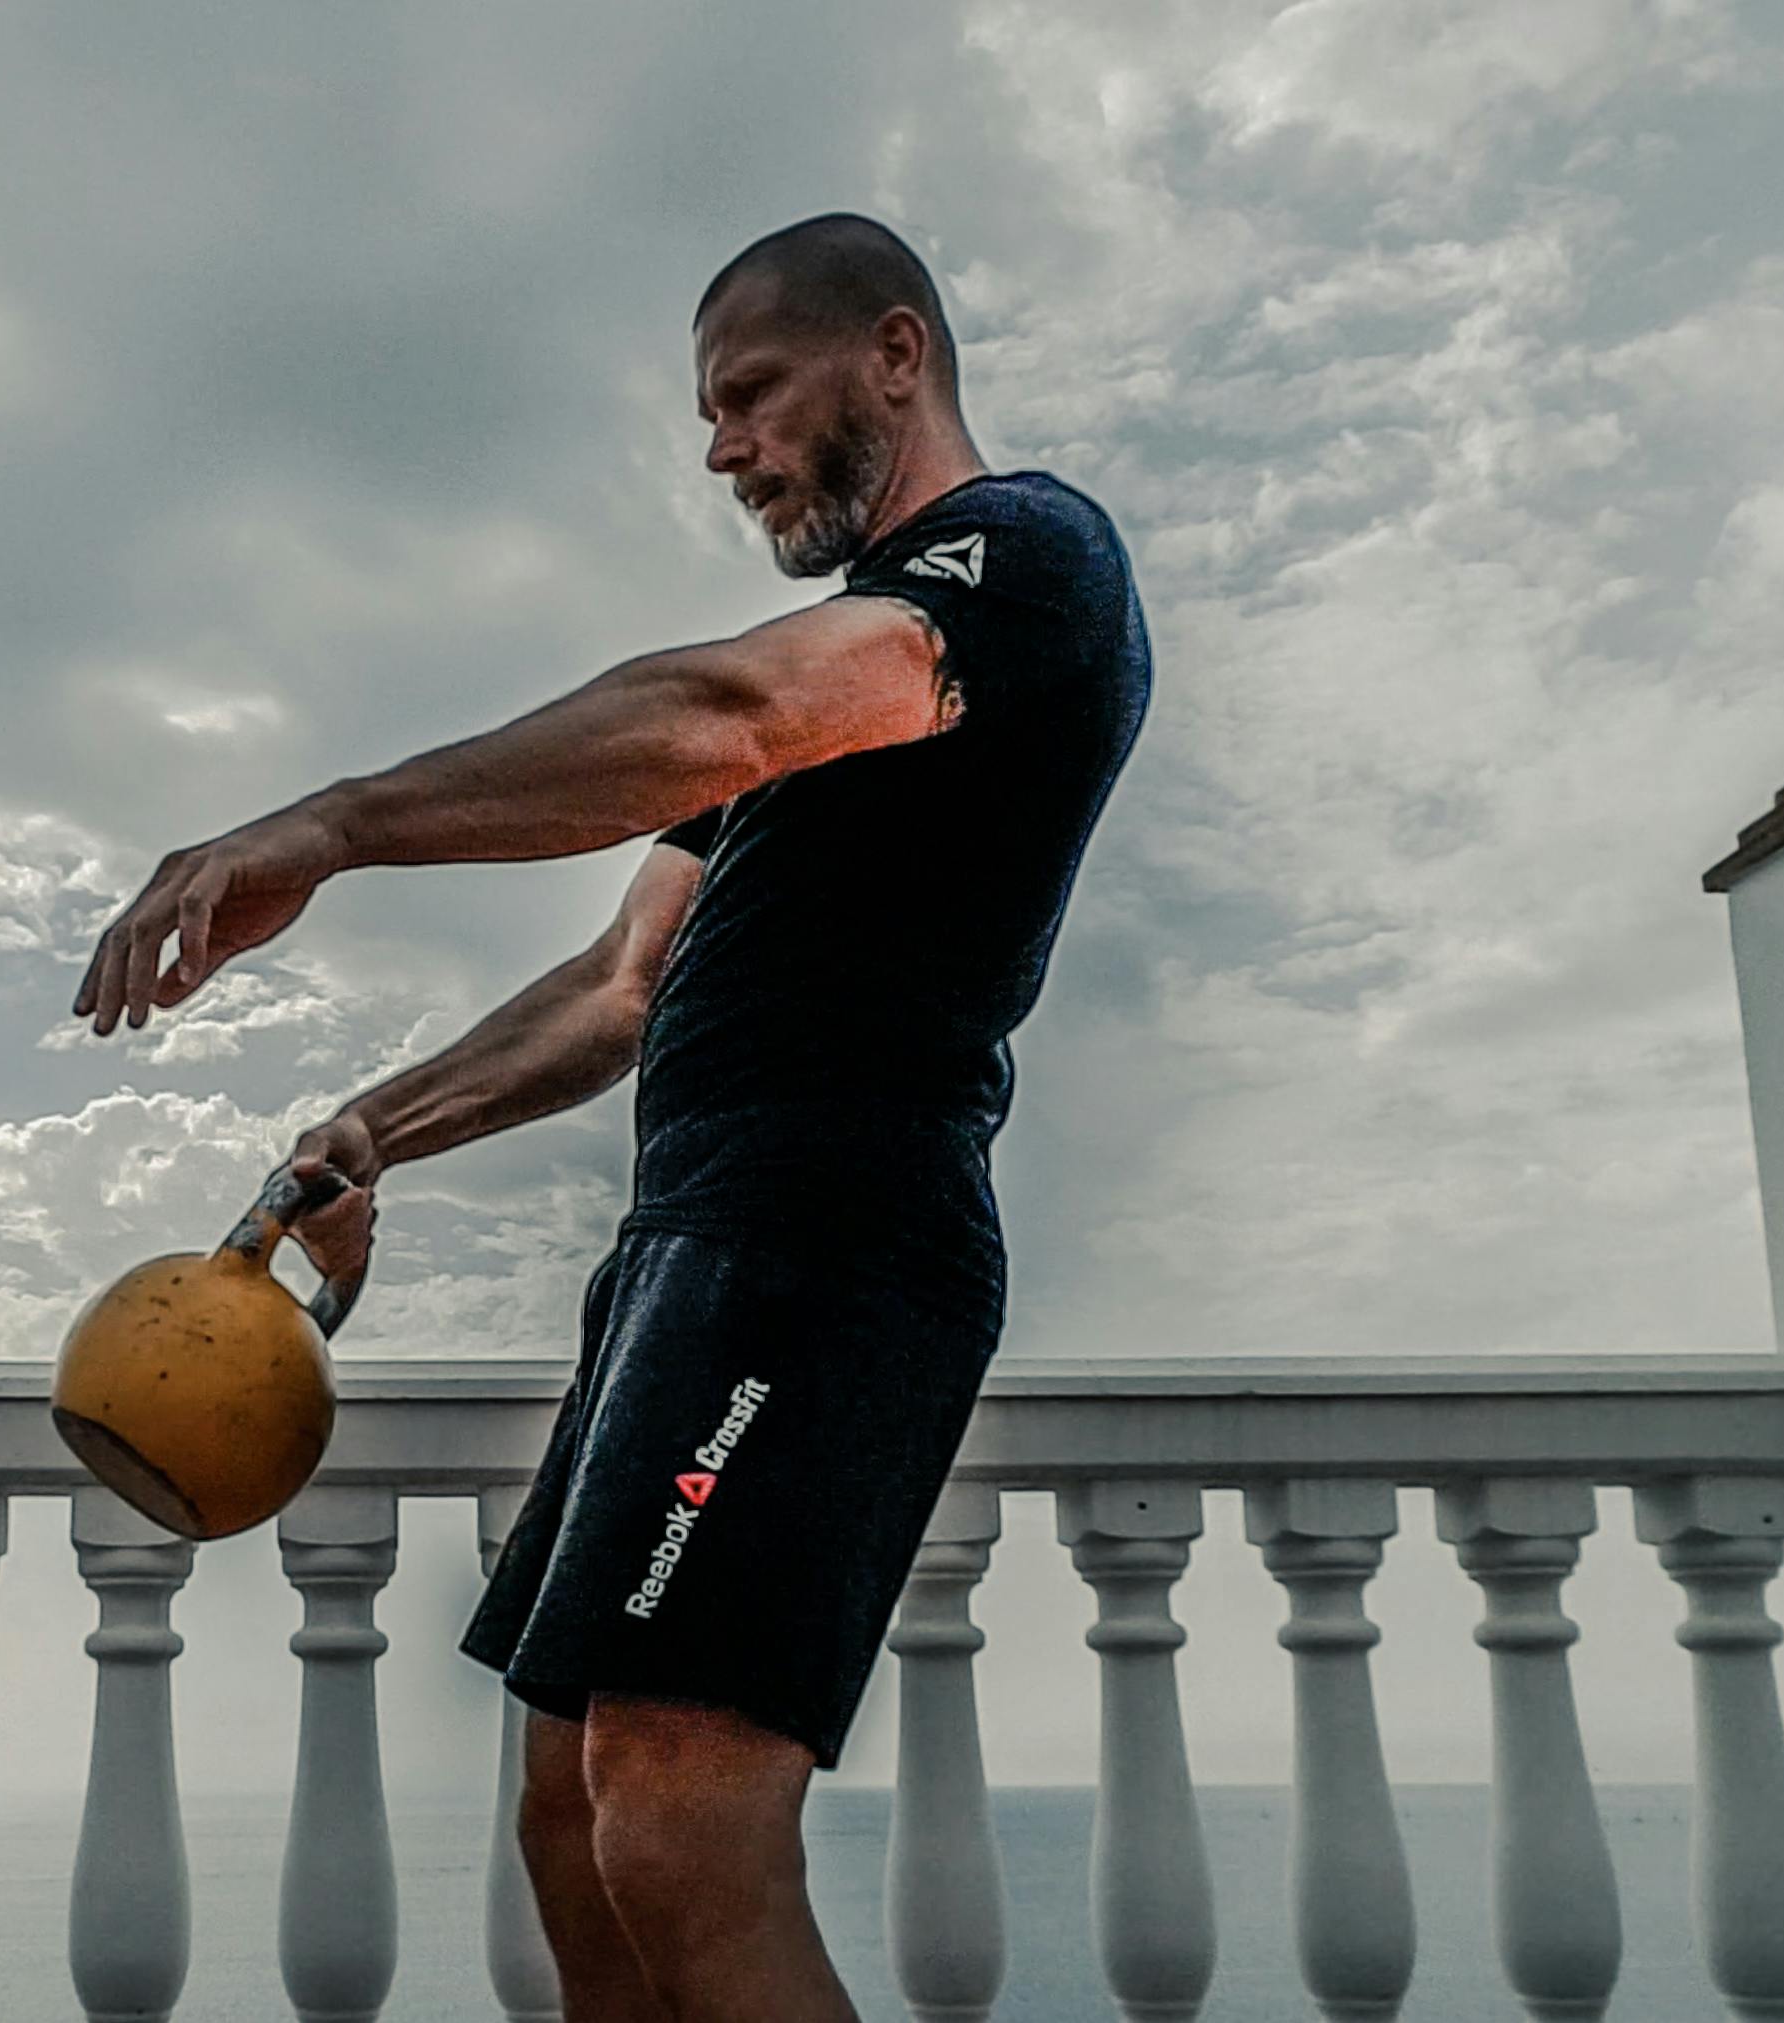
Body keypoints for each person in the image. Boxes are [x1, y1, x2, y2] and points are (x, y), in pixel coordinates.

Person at [70, 211, 1150, 2023]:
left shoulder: (1021, 560)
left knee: (677, 1827)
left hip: (832, 1237)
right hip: (688, 1257)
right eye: (708, 413)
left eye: (750, 393)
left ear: (894, 353)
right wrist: (373, 1131)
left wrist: (333, 824)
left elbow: (731, 706)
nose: (721, 446)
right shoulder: (817, 727)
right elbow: (618, 990)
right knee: (573, 1819)